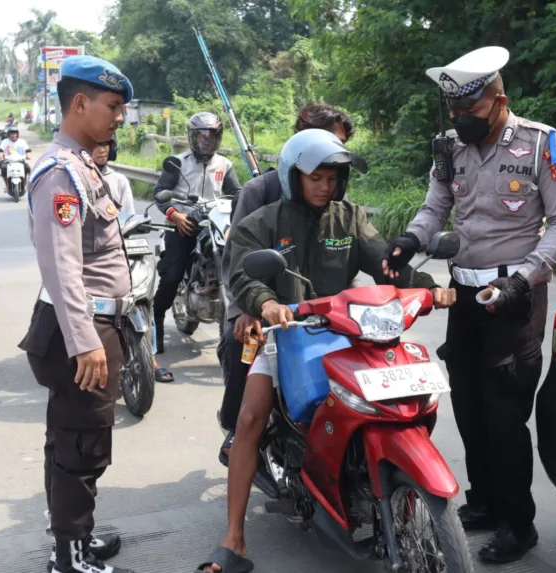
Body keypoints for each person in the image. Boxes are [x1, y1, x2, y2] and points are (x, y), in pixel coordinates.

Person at [197, 129, 457, 573]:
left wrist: (428, 287)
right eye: (316, 178)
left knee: (388, 400)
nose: (325, 186)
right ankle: (233, 540)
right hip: (287, 334)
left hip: (347, 330)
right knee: (250, 419)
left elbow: (385, 263)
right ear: (293, 176)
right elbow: (243, 272)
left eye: (333, 178)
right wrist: (267, 303)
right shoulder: (264, 221)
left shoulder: (348, 218)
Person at [382, 46, 556, 564]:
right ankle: (485, 502)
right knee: (469, 407)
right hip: (466, 296)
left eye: (469, 109)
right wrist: (409, 240)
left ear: (499, 102)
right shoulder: (449, 148)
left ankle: (518, 524)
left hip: (515, 297)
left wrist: (523, 280)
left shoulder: (542, 144)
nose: (459, 119)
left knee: (504, 416)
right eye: (453, 109)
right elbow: (436, 206)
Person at [17, 54, 137, 573]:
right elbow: (62, 266)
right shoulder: (62, 174)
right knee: (81, 445)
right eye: (113, 106)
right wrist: (85, 341)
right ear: (80, 103)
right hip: (83, 327)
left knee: (69, 437)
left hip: (89, 323)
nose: (120, 117)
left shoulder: (83, 165)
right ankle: (71, 556)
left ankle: (74, 539)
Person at [216, 103, 355, 466]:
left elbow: (363, 255)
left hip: (325, 312)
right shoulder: (259, 191)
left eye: (338, 147)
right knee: (242, 345)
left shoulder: (339, 201)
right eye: (322, 143)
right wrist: (249, 309)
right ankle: (237, 430)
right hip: (266, 307)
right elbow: (238, 260)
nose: (327, 179)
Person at [151, 112, 242, 357]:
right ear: (192, 137)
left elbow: (236, 194)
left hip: (214, 225)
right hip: (184, 225)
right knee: (172, 275)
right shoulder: (178, 163)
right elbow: (160, 192)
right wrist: (175, 215)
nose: (206, 141)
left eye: (211, 136)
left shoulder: (225, 165)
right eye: (201, 136)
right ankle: (156, 320)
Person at [92, 137, 174, 383]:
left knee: (142, 298)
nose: (102, 150)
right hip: (90, 255)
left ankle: (150, 356)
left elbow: (128, 216)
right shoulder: (74, 178)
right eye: (95, 144)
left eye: (106, 144)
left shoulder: (118, 180)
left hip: (120, 249)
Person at [0, 125, 32, 192]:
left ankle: (25, 185)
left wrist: (28, 155)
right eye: (11, 133)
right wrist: (0, 156)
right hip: (8, 161)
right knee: (3, 169)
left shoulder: (22, 141)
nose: (13, 135)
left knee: (28, 169)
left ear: (17, 134)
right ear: (9, 134)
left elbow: (27, 150)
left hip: (20, 161)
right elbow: (1, 150)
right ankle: (7, 186)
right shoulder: (5, 142)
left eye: (14, 133)